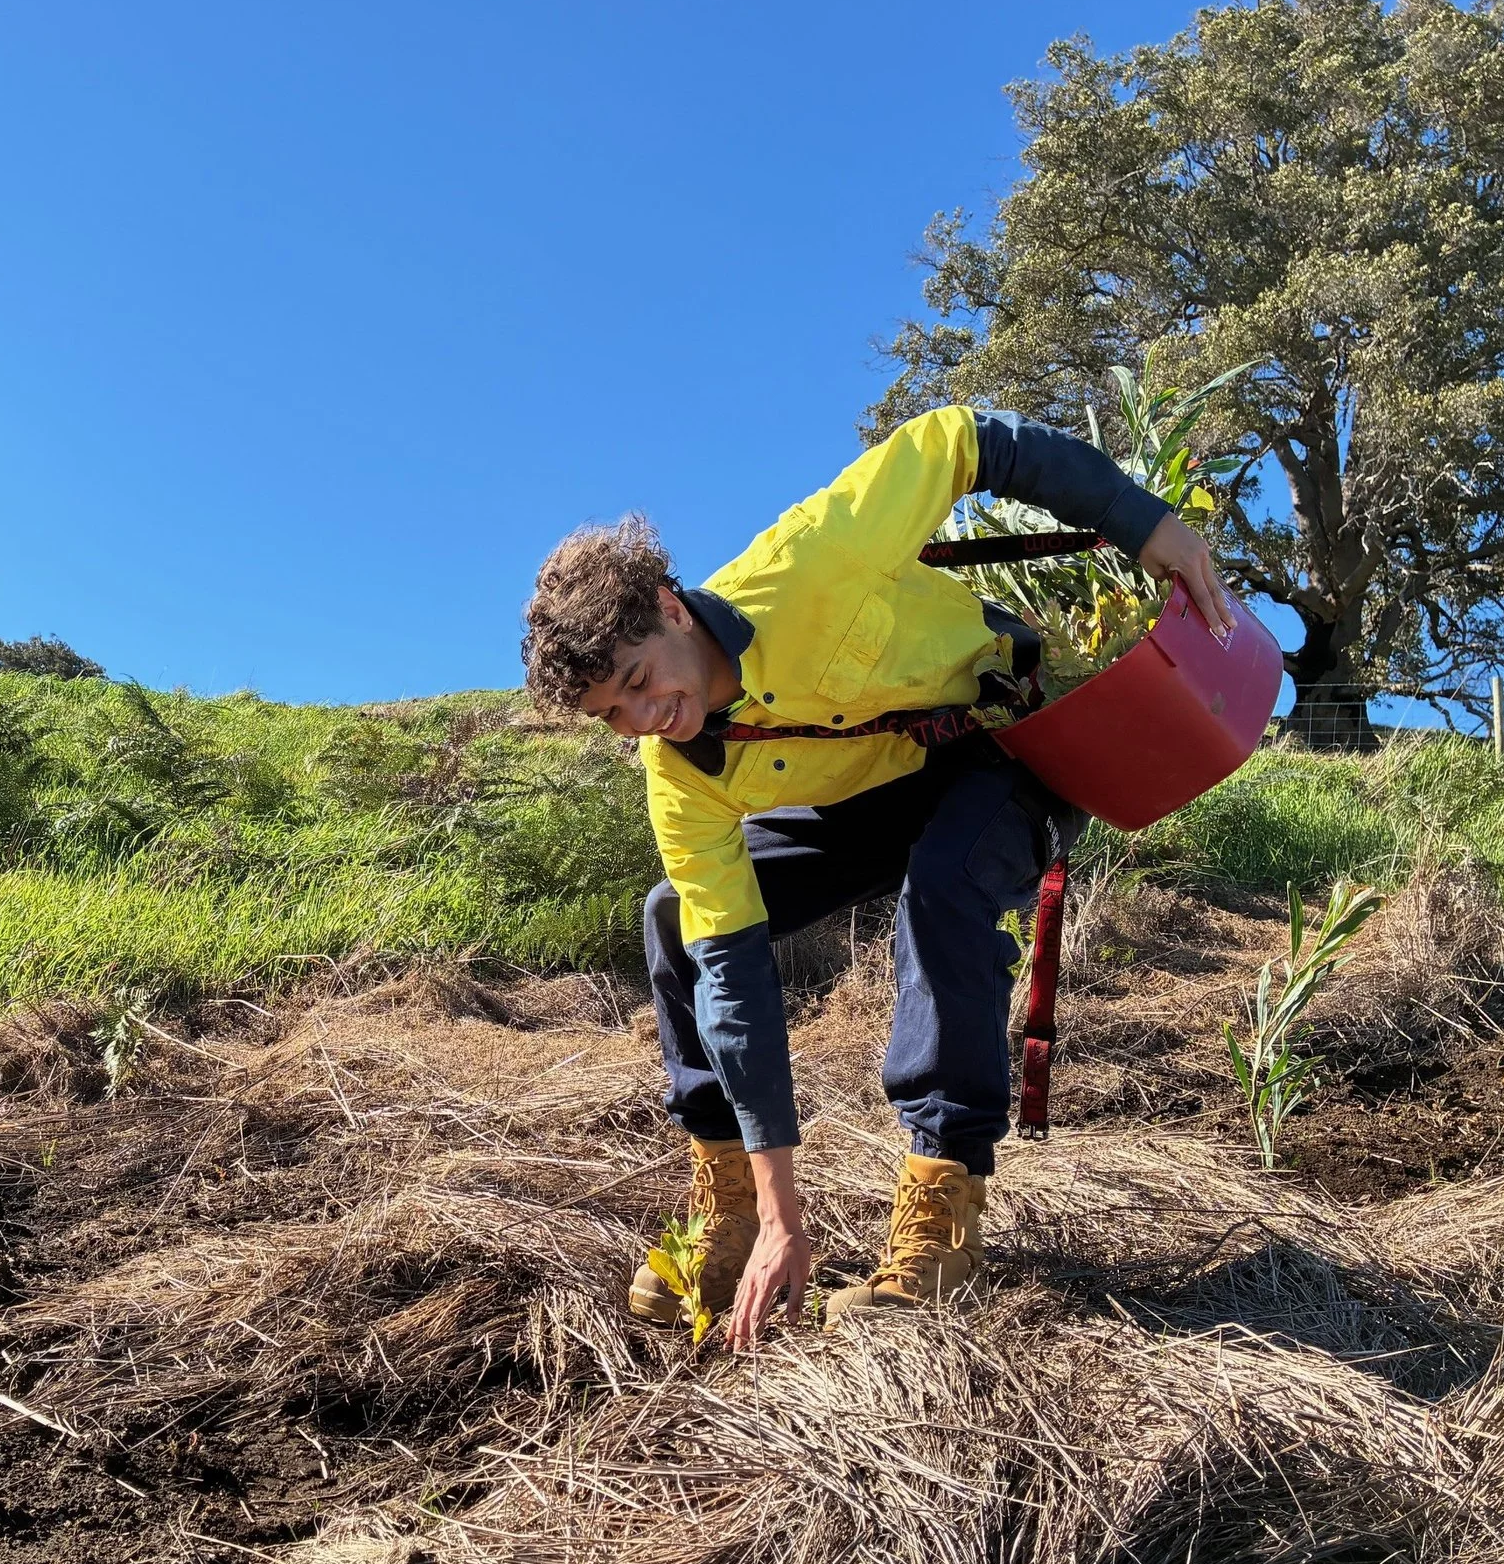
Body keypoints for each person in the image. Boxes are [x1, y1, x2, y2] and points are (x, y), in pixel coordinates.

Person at [519, 405, 1234, 1350]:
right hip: (872, 792)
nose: (649, 718)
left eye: (644, 680)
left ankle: (941, 1217)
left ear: (669, 607)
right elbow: (732, 979)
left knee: (945, 880)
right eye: (616, 713)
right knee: (676, 923)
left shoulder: (819, 553)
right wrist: (783, 1213)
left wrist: (1150, 525)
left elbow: (973, 439)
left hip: (997, 741)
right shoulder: (678, 772)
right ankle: (730, 1213)